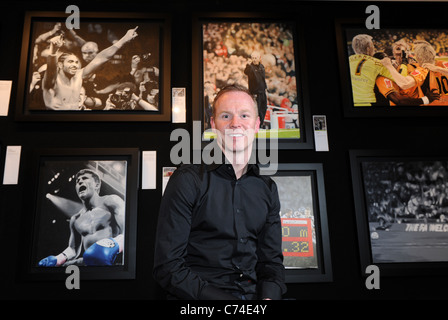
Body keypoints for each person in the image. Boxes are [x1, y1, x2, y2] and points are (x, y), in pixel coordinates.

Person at [153, 84, 286, 300]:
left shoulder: (267, 188)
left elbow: (271, 263)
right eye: (226, 116)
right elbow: (168, 268)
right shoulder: (188, 180)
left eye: (244, 115)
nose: (236, 124)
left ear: (256, 125)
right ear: (214, 125)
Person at [38, 169, 125, 267]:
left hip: (115, 263)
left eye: (85, 178)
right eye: (77, 181)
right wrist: (58, 258)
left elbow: (128, 231)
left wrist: (111, 245)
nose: (80, 181)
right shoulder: (75, 219)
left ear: (96, 185)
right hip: (91, 266)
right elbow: (73, 249)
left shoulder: (112, 201)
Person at [42, 27, 138, 110]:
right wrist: (53, 51)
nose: (75, 65)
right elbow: (51, 69)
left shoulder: (78, 75)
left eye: (76, 62)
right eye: (70, 61)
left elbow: (102, 57)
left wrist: (124, 39)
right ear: (60, 65)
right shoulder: (52, 80)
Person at [349, 34, 393, 106]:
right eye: (373, 46)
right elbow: (399, 80)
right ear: (368, 49)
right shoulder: (377, 63)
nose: (374, 48)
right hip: (367, 103)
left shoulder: (348, 60)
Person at [244, 51, 268, 125]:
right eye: (253, 58)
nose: (254, 59)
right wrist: (247, 65)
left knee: (263, 108)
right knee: (256, 109)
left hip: (263, 92)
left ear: (259, 58)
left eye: (255, 58)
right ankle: (256, 124)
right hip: (255, 93)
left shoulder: (262, 67)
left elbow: (263, 79)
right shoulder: (250, 67)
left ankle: (261, 123)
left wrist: (266, 89)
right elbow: (246, 71)